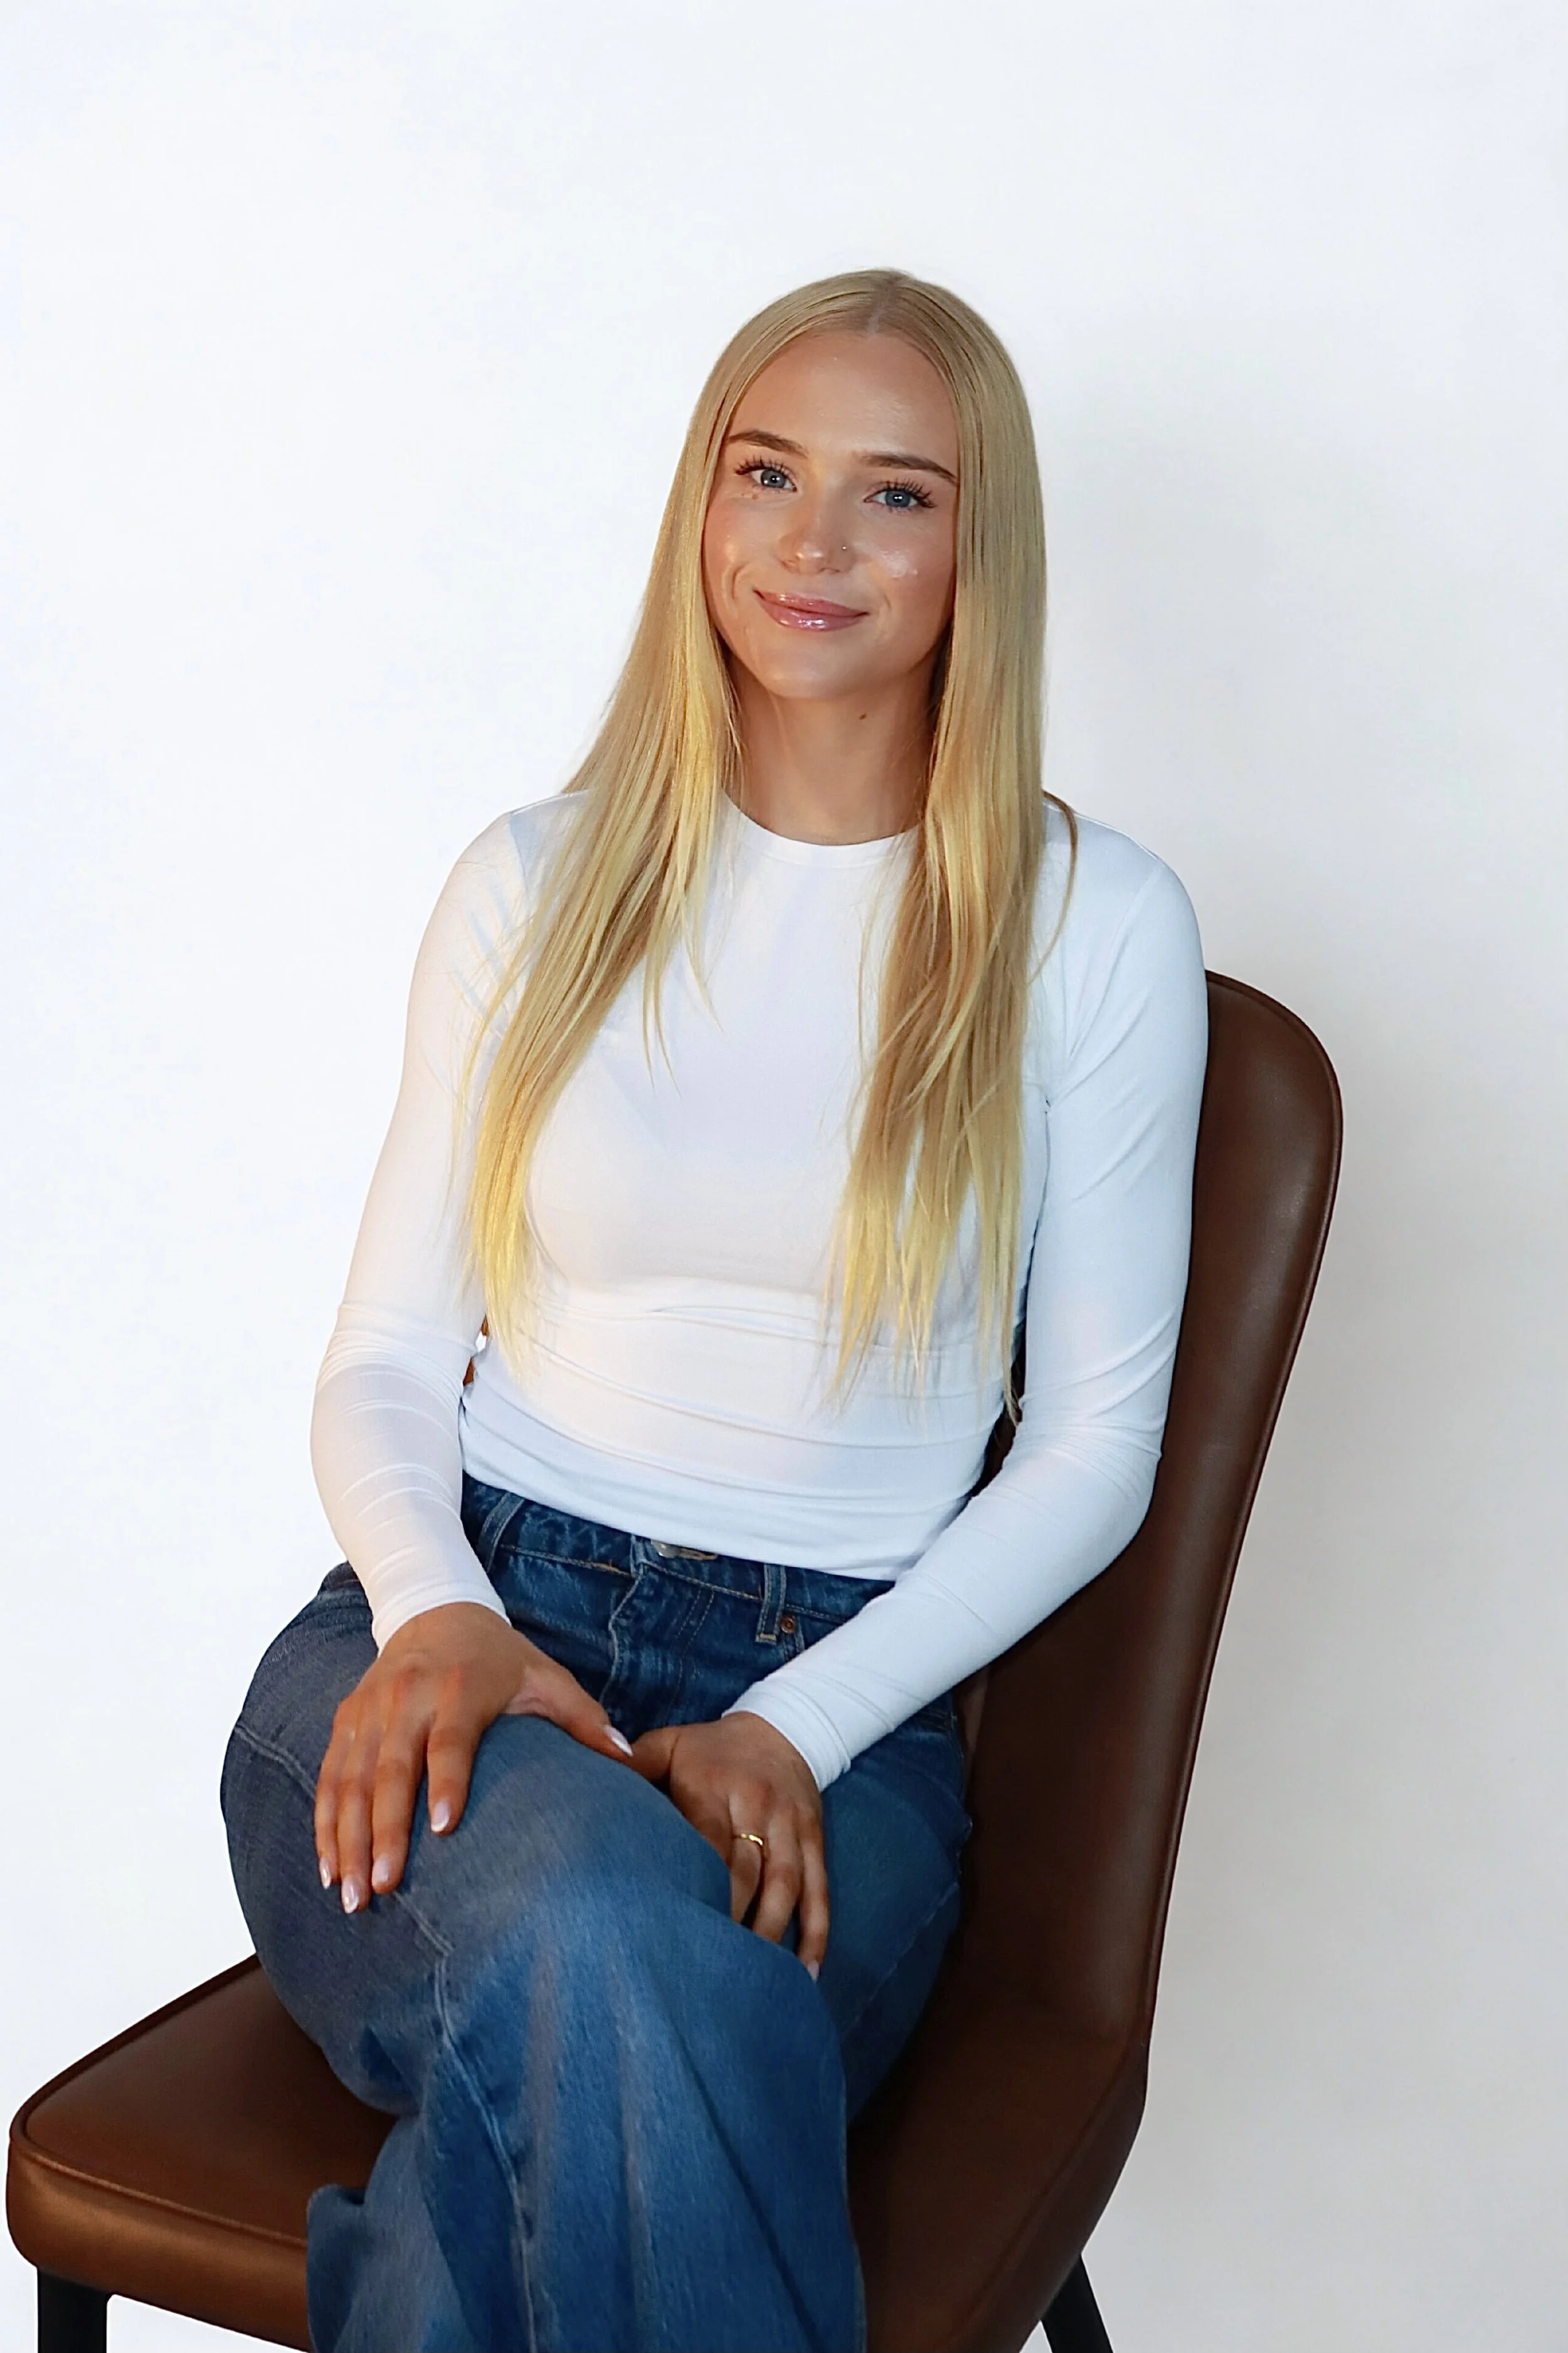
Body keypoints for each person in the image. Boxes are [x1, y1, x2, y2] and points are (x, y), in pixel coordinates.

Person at [222, 266, 1208, 2353]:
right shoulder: (534, 883)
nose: (814, 544)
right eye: (764, 473)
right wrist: (440, 1612)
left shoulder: (1089, 932)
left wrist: (794, 1723)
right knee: (605, 1939)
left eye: (895, 495)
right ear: (698, 510)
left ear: (979, 550)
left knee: (548, 2114)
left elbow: (1095, 1450)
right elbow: (388, 1359)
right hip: (450, 1629)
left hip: (829, 1696)